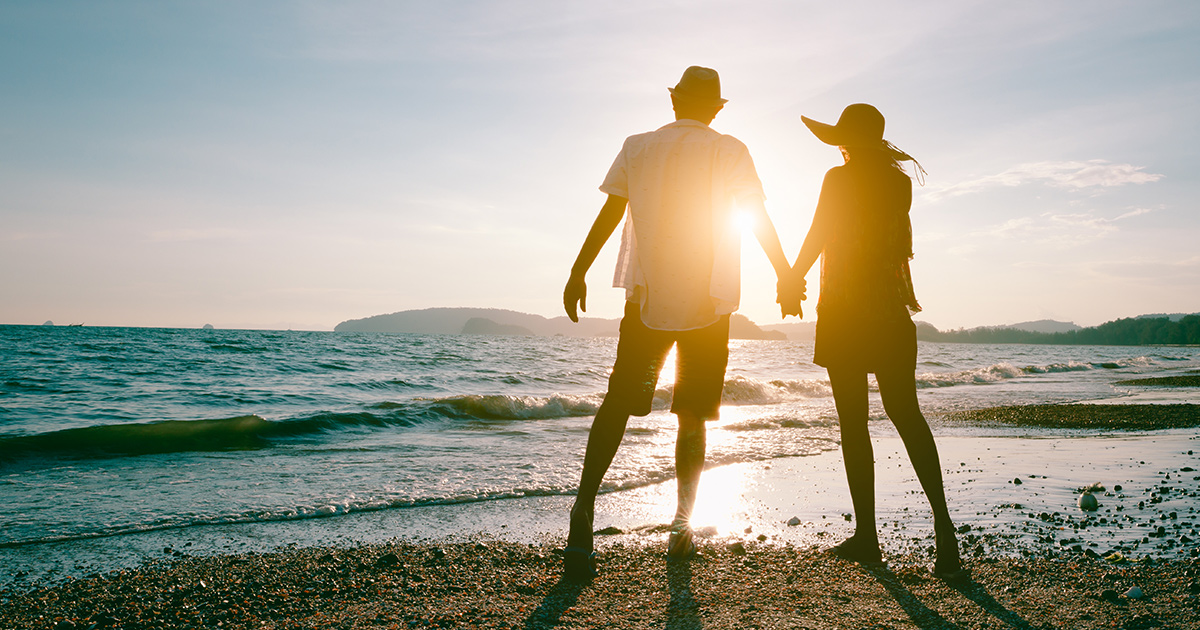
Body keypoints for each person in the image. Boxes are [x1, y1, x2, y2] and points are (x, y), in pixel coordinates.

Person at [561, 66, 792, 581]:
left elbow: (610, 214)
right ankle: (680, 529)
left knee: (618, 403)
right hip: (709, 305)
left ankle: (582, 517)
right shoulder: (730, 148)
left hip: (647, 299)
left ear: (673, 101)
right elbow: (755, 214)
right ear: (715, 107)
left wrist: (579, 271)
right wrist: (785, 274)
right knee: (691, 414)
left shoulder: (638, 146)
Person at [783, 103, 965, 579]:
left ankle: (868, 536)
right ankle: (944, 530)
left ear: (848, 139)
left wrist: (792, 280)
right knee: (907, 414)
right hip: (888, 311)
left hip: (844, 310)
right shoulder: (898, 182)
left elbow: (820, 232)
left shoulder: (838, 179)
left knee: (853, 423)